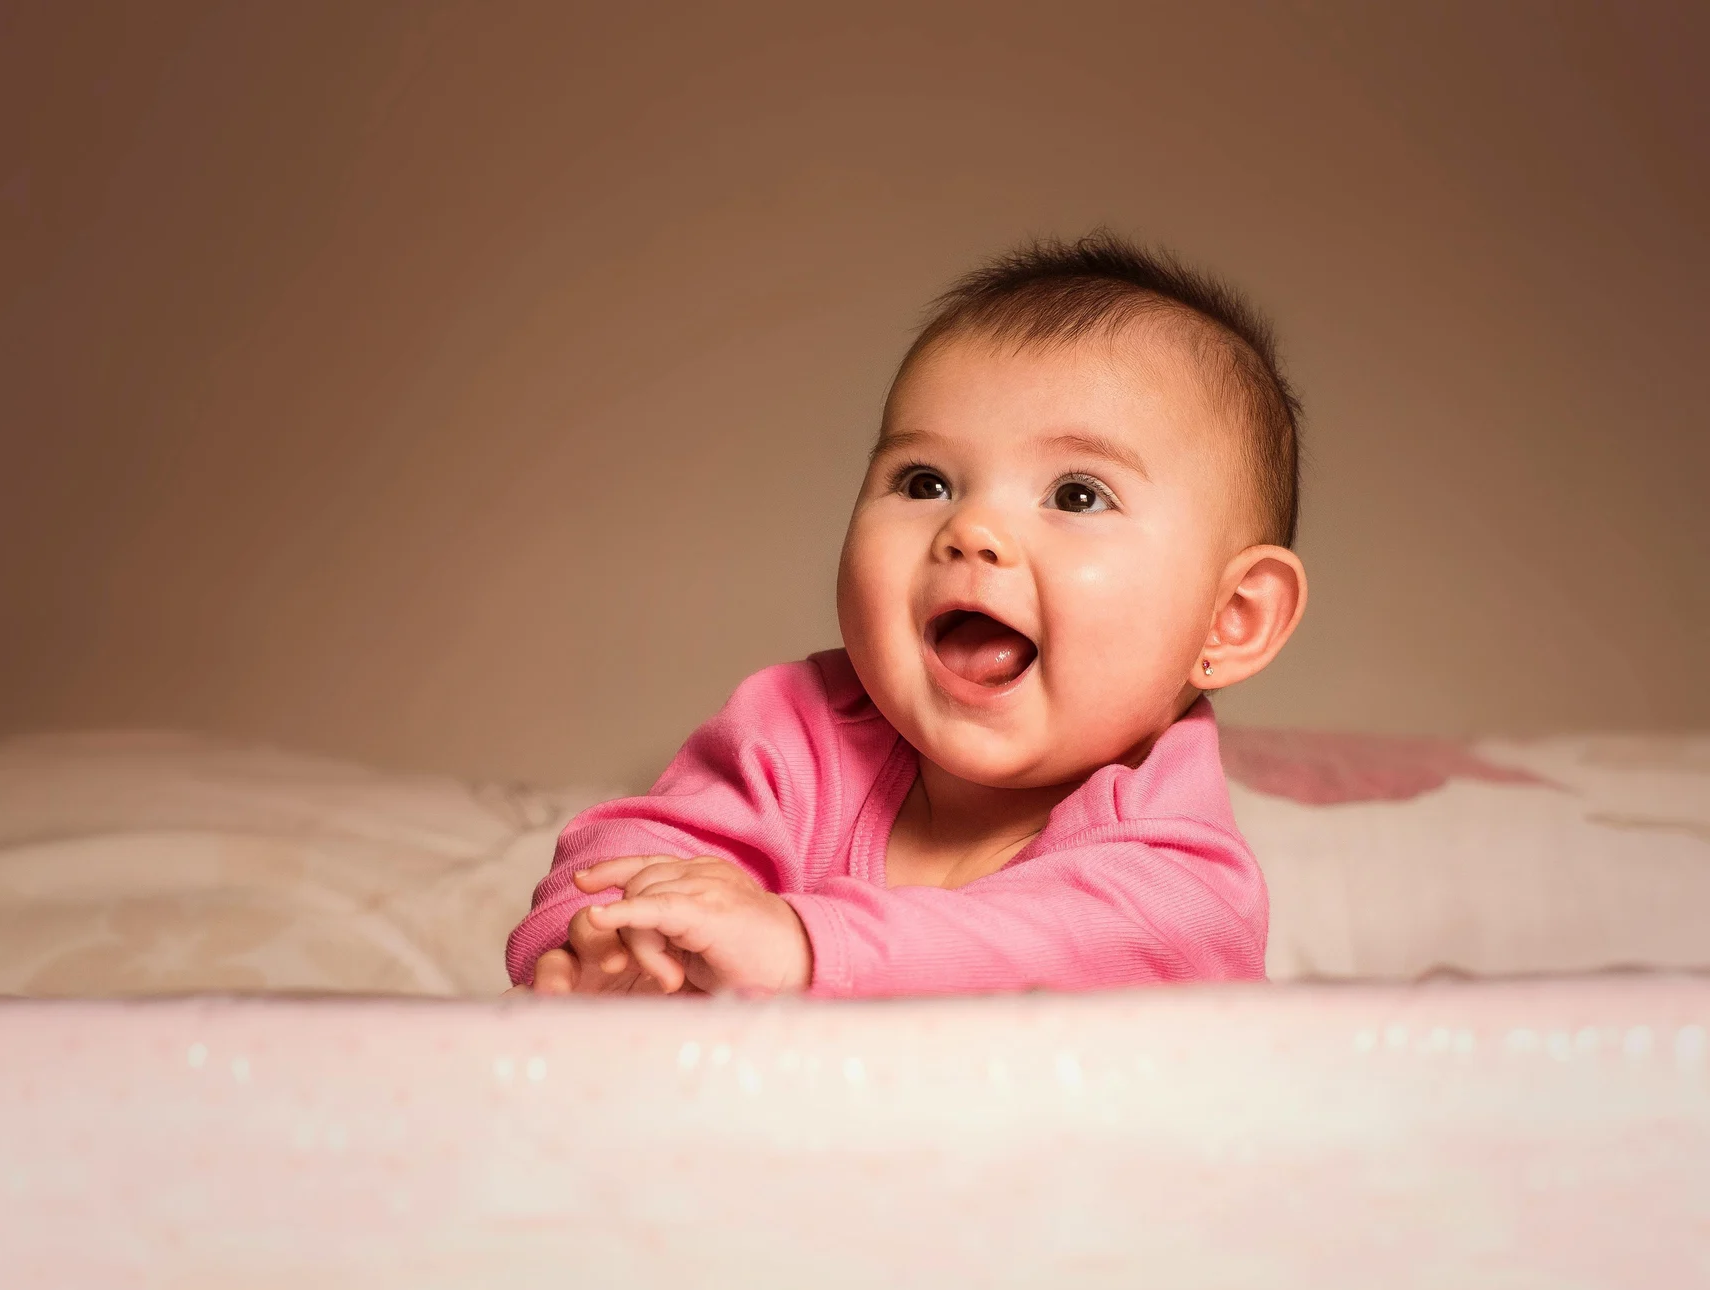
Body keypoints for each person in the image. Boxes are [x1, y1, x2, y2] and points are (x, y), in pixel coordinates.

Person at [506, 230, 1308, 998]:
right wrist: (610, 940)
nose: (972, 532)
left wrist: (804, 945)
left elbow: (1050, 948)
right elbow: (643, 851)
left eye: (1076, 494)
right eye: (925, 482)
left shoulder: (1184, 877)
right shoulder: (800, 730)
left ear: (1230, 619)